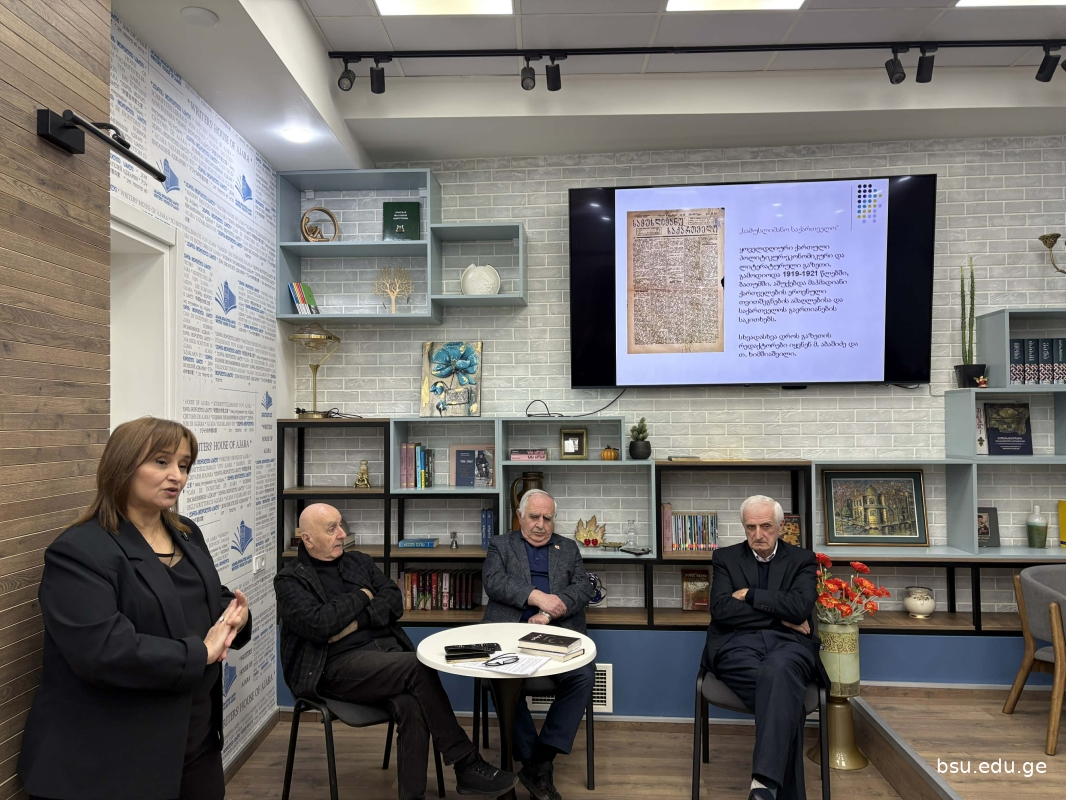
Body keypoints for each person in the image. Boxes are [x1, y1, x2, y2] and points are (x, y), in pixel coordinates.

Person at [18, 417, 251, 800]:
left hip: (194, 745)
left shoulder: (187, 532)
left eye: (184, 465)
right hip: (110, 759)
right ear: (122, 465)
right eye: (161, 462)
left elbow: (208, 597)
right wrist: (201, 652)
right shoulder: (79, 550)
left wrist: (234, 617)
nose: (176, 475)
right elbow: (104, 651)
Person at [274, 503, 517, 800]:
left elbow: (394, 601)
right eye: (331, 529)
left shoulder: (359, 562)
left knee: (412, 706)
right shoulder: (290, 580)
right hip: (332, 668)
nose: (342, 534)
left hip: (384, 657)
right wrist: (363, 594)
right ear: (307, 539)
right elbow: (321, 625)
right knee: (418, 666)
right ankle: (466, 763)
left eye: (341, 525)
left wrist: (354, 621)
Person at [702, 495, 821, 800]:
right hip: (736, 645)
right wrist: (781, 617)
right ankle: (768, 788)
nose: (758, 534)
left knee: (780, 671)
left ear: (780, 526)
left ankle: (763, 785)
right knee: (785, 693)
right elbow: (722, 610)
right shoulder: (725, 558)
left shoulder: (803, 560)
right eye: (751, 527)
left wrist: (750, 595)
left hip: (790, 647)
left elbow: (800, 608)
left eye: (766, 526)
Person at [482, 489, 595, 800]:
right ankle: (535, 766)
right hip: (510, 635)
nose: (541, 525)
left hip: (558, 633)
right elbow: (494, 581)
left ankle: (540, 761)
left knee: (584, 676)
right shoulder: (501, 545)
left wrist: (547, 613)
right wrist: (537, 597)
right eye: (534, 517)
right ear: (520, 516)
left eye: (547, 518)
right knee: (501, 679)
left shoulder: (567, 547)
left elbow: (582, 588)